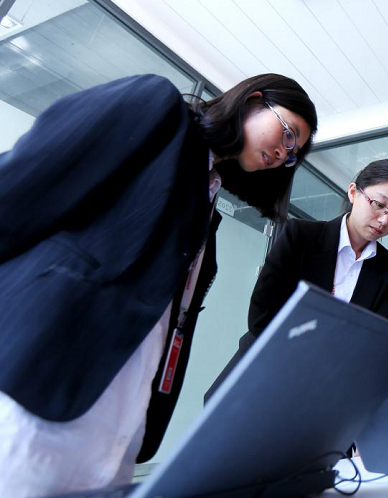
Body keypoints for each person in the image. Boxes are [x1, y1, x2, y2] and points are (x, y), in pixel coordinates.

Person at [0, 73, 318, 495]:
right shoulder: (158, 107)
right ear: (253, 101)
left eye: (293, 154)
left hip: (119, 411)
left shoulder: (209, 201)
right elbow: (23, 185)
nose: (283, 153)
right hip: (43, 375)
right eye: (287, 134)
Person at [207, 158, 388, 398]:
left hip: (321, 393)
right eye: (378, 204)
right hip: (259, 376)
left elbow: (372, 340)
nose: (384, 220)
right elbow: (261, 315)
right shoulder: (300, 236)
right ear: (353, 192)